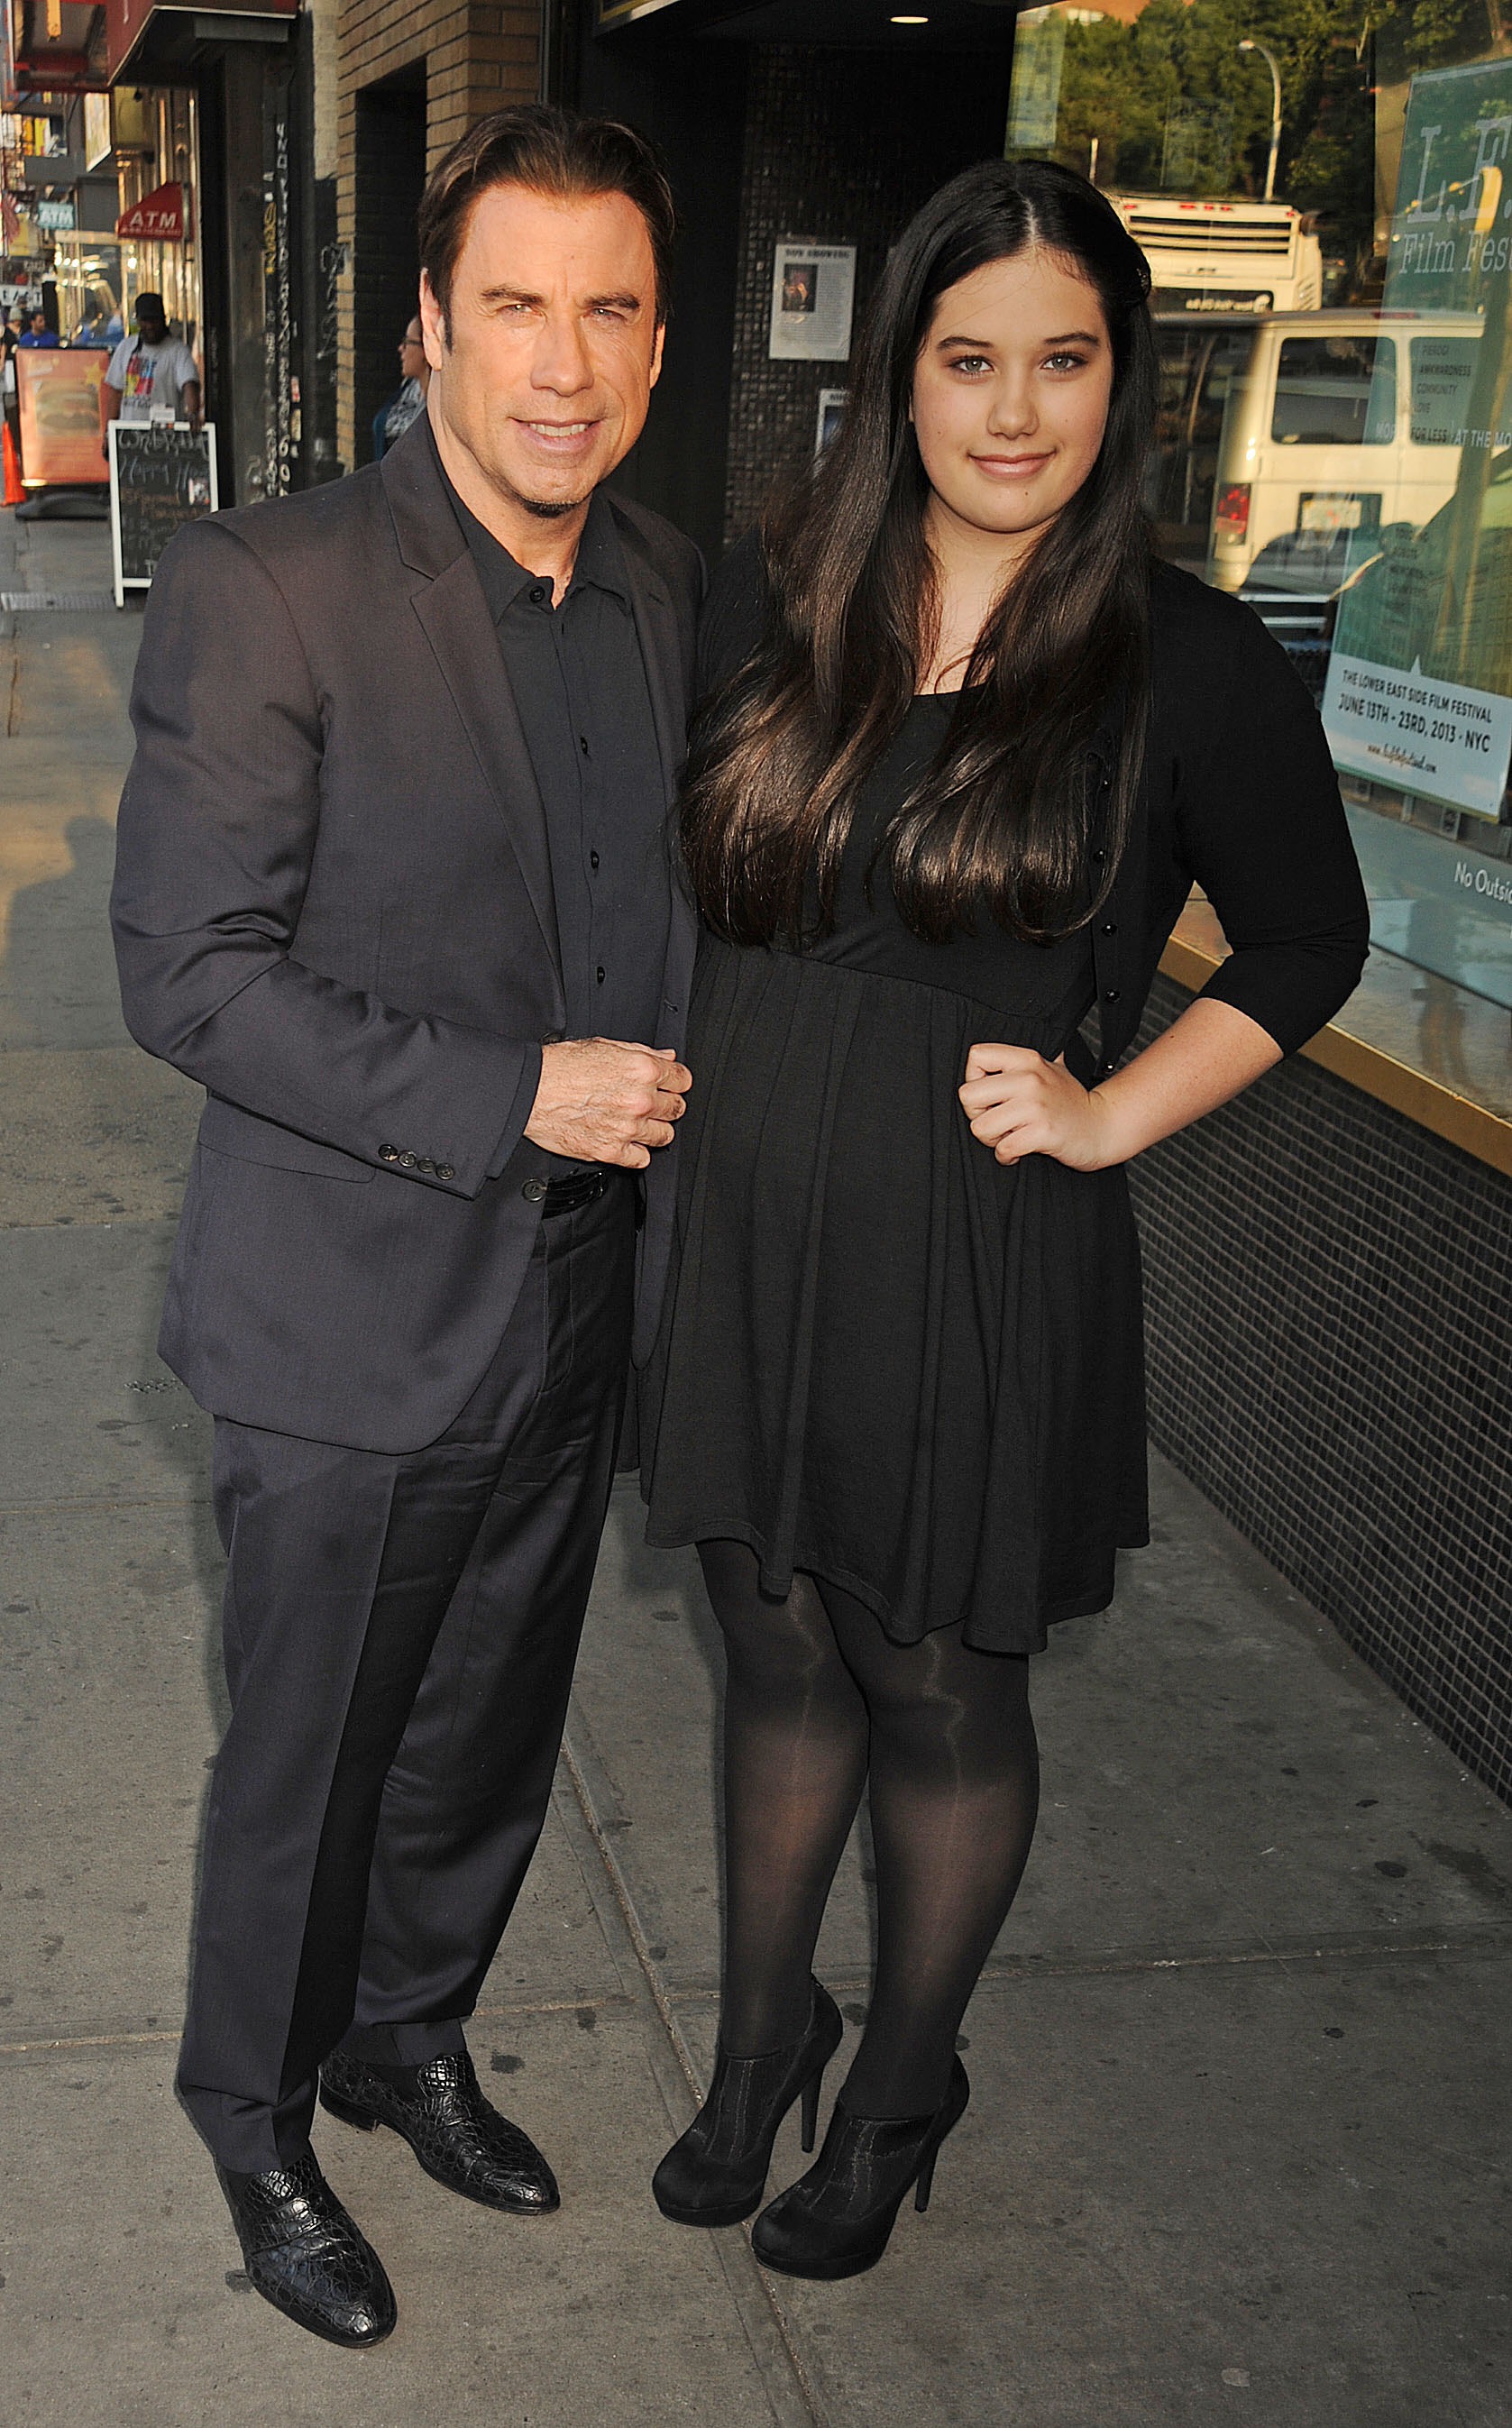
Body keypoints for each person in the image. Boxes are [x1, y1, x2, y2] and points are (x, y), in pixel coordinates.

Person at [641, 158, 1370, 2280]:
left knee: (932, 1676)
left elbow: (1307, 946)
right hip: (758, 1211)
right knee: (773, 1646)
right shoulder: (780, 605)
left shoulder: (1183, 656)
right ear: (902, 379)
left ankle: (898, 2091)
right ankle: (767, 2034)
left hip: (973, 1235)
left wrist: (1106, 1107)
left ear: (1120, 380)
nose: (1012, 406)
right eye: (969, 358)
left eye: (1061, 359)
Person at [110, 102, 700, 2350]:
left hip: (570, 1291)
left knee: (484, 1715)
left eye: (609, 312)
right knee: (311, 1742)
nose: (562, 364)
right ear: (430, 325)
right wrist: (505, 1093)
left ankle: (405, 2026)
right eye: (518, 308)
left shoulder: (654, 579)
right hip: (345, 1310)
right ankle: (253, 2108)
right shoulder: (276, 584)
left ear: (655, 342)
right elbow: (187, 970)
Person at [103, 292, 200, 430]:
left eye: (154, 320)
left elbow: (189, 383)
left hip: (165, 436)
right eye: (145, 320)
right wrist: (109, 432)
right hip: (129, 437)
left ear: (163, 320)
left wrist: (192, 414)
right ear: (138, 321)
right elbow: (115, 392)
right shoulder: (126, 347)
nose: (150, 326)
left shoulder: (177, 351)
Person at [373, 314, 431, 458]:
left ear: (426, 348)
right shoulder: (409, 389)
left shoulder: (440, 404)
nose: (400, 348)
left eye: (407, 342)